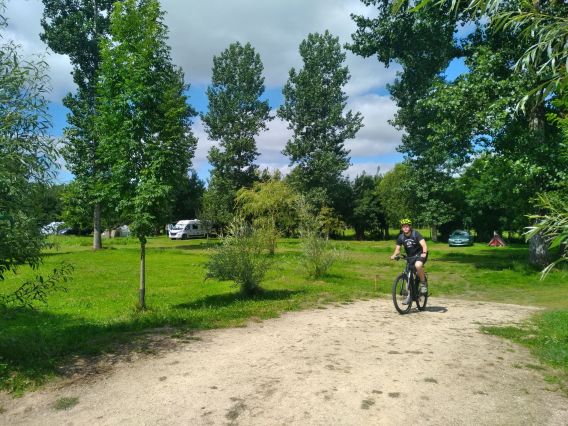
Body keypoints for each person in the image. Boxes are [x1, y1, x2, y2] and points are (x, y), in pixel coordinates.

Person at [390, 218, 428, 304]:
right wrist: (394, 255)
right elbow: (397, 249)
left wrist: (424, 253)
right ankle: (410, 296)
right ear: (402, 228)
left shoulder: (416, 234)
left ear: (410, 227)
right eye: (404, 227)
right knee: (408, 276)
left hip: (420, 254)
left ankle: (423, 284)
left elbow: (424, 245)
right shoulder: (401, 237)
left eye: (407, 226)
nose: (405, 228)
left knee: (418, 265)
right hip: (410, 257)